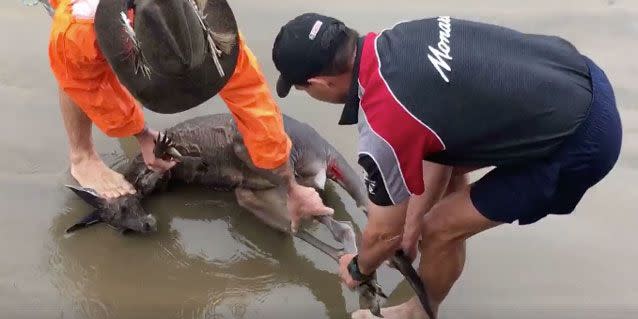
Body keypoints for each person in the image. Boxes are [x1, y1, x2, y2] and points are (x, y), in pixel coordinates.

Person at [271, 13, 623, 318]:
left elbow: (380, 234)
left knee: (438, 229)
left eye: (302, 89)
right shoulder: (401, 38)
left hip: (581, 142)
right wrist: (408, 231)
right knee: (430, 189)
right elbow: (437, 149)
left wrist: (360, 268)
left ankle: (420, 312)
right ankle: (424, 244)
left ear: (320, 83)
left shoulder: (383, 125)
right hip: (575, 74)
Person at [47, 0, 332, 230]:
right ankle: (82, 157)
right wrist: (140, 132)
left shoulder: (215, 31)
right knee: (80, 67)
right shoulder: (76, 28)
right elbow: (84, 83)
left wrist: (290, 185)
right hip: (83, 32)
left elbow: (253, 101)